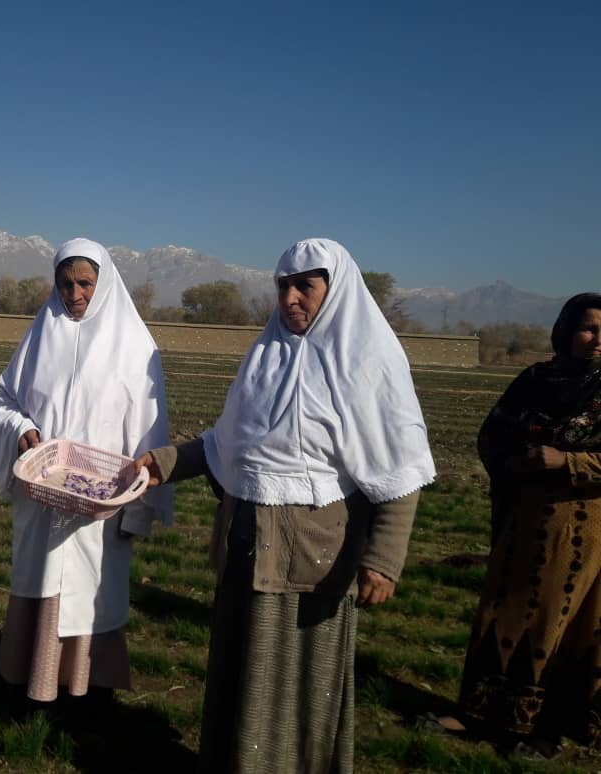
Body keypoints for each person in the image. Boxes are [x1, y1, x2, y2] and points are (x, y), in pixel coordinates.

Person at [136, 238, 436, 773]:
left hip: (312, 553)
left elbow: (400, 466)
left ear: (335, 289)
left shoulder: (367, 360)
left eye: (306, 286)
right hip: (248, 539)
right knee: (240, 667)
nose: (291, 298)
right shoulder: (265, 354)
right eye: (283, 286)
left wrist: (383, 560)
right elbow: (225, 444)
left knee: (299, 678)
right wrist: (158, 463)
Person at [0, 237, 173, 709]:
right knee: (41, 585)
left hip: (101, 504)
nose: (76, 294)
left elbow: (151, 431)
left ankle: (87, 698)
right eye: (67, 283)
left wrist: (137, 513)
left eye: (86, 283)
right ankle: (34, 687)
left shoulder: (133, 345)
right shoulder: (40, 333)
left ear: (104, 281)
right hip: (43, 494)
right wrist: (23, 428)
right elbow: (5, 398)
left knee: (90, 597)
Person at [453, 292, 601, 758]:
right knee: (502, 614)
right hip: (522, 521)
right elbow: (492, 434)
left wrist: (569, 461)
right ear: (566, 329)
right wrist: (516, 462)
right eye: (588, 327)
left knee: (559, 628)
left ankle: (544, 730)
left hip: (582, 534)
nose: (597, 339)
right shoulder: (535, 380)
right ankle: (475, 713)